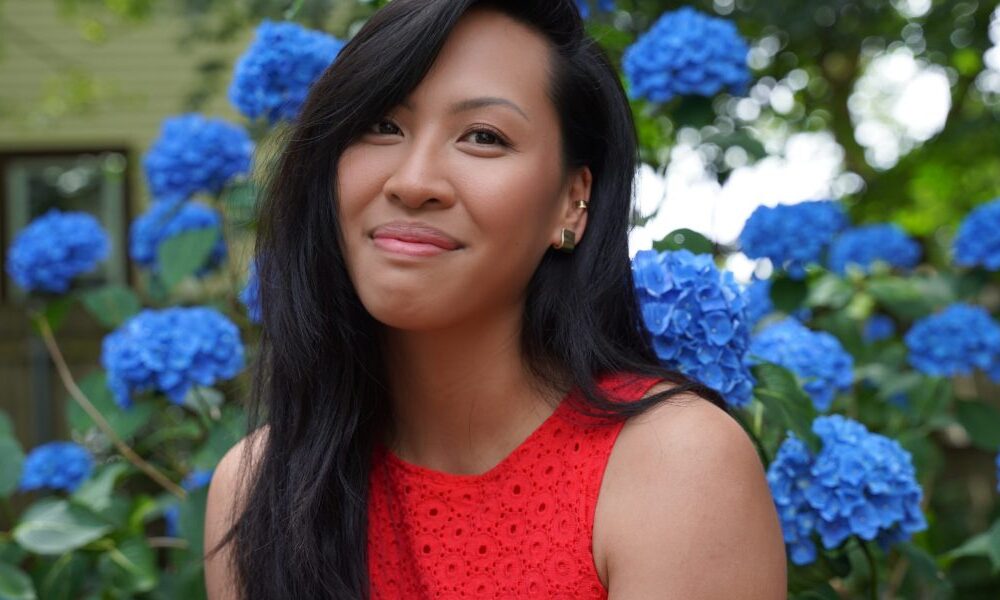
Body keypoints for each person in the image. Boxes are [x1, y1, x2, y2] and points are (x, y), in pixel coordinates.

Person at [203, 0, 787, 598]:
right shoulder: (255, 491)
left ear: (572, 202)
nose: (413, 182)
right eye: (382, 126)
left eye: (483, 137)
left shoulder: (674, 468)